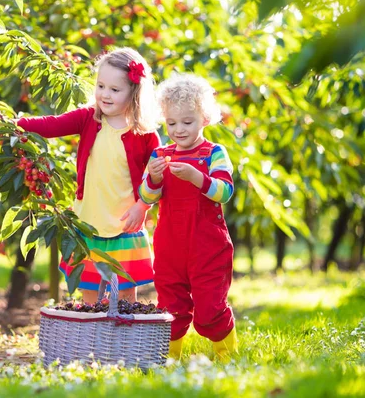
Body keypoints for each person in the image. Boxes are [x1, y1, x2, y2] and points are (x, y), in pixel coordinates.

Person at [17, 47, 161, 303]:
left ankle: (123, 340)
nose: (105, 95)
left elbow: (158, 174)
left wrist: (143, 206)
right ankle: (94, 339)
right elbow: (52, 124)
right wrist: (17, 124)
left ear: (134, 93)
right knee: (90, 290)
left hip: (125, 221)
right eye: (101, 86)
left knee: (127, 292)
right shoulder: (88, 118)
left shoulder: (144, 133)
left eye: (115, 90)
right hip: (89, 220)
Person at [138, 73, 238, 362]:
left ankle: (227, 356)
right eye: (171, 123)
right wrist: (154, 178)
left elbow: (224, 191)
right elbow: (146, 197)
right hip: (170, 246)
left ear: (204, 118)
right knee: (171, 307)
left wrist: (198, 177)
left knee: (209, 309)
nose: (178, 129)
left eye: (187, 122)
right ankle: (169, 359)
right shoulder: (160, 153)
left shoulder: (214, 153)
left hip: (207, 246)